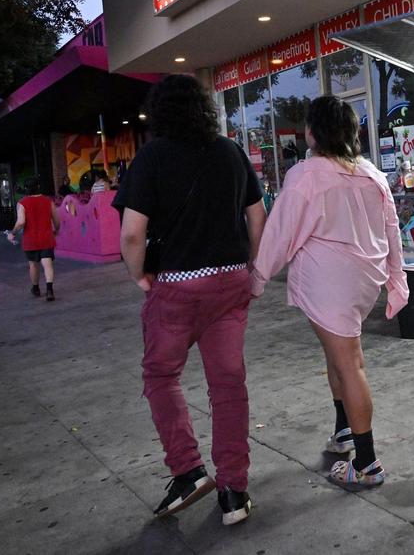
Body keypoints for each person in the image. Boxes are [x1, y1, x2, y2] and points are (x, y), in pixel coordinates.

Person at [113, 75, 267, 524]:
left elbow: (131, 233)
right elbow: (257, 217)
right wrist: (251, 266)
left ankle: (187, 470)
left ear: (159, 112)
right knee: (228, 384)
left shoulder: (153, 157)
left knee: (161, 375)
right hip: (230, 284)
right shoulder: (231, 151)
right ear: (205, 108)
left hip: (177, 287)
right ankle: (234, 491)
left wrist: (139, 276)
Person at [251, 95, 408, 487]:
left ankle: (367, 464)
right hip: (362, 282)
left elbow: (280, 233)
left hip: (330, 286)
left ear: (312, 133)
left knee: (349, 363)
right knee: (338, 359)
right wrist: (396, 280)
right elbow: (393, 233)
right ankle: (343, 431)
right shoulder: (372, 174)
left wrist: (256, 279)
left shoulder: (307, 174)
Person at [6, 179, 59, 301]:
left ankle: (36, 288)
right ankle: (50, 290)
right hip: (47, 237)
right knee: (48, 264)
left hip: (31, 239)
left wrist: (12, 233)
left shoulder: (23, 203)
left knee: (34, 266)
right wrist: (56, 230)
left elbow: (21, 222)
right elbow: (56, 219)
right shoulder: (48, 201)